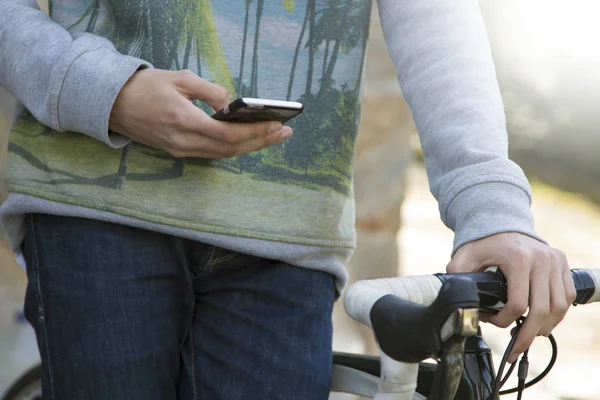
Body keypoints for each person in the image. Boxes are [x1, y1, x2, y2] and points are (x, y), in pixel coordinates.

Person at [0, 0, 576, 399]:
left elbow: (436, 19)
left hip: (286, 244)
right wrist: (107, 91)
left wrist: (490, 204)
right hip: (93, 216)